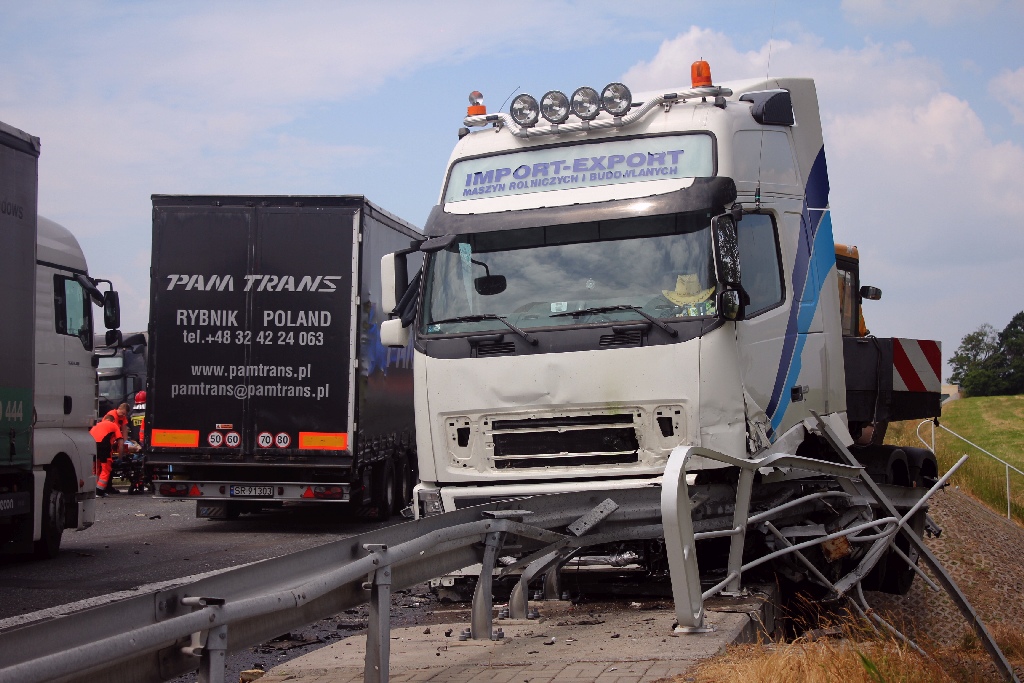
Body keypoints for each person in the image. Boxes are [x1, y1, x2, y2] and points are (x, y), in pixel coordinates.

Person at [90, 414, 123, 497]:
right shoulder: (113, 425)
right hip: (104, 448)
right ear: (112, 420)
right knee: (106, 469)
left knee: (96, 469)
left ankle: (93, 489)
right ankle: (100, 491)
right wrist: (120, 456)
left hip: (92, 446)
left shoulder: (96, 425)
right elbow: (121, 442)